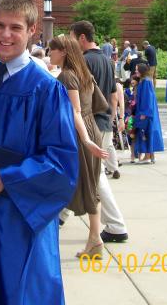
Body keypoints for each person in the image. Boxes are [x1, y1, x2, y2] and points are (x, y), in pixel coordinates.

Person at [0, 0, 78, 304]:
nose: (4, 35)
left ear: (32, 30)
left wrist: (6, 178)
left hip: (20, 221)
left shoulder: (46, 90)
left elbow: (62, 164)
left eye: (15, 27)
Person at [49, 34, 108, 258]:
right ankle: (94, 239)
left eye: (52, 50)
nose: (49, 53)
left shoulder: (66, 76)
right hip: (91, 127)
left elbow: (74, 111)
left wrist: (85, 139)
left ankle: (94, 239)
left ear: (63, 51)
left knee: (83, 185)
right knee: (91, 185)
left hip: (80, 132)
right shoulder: (84, 74)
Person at [70, 20, 129, 244]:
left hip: (89, 124)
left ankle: (115, 225)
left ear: (82, 39)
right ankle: (62, 215)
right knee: (88, 172)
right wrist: (112, 120)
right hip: (103, 123)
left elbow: (78, 100)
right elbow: (113, 95)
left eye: (73, 38)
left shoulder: (83, 62)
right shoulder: (106, 60)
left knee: (97, 175)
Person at [134, 64, 164, 163]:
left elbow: (148, 98)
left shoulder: (146, 82)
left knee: (146, 132)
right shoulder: (144, 81)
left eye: (137, 70)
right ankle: (151, 156)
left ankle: (147, 156)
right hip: (146, 111)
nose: (136, 71)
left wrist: (144, 113)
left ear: (141, 71)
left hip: (146, 112)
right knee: (148, 131)